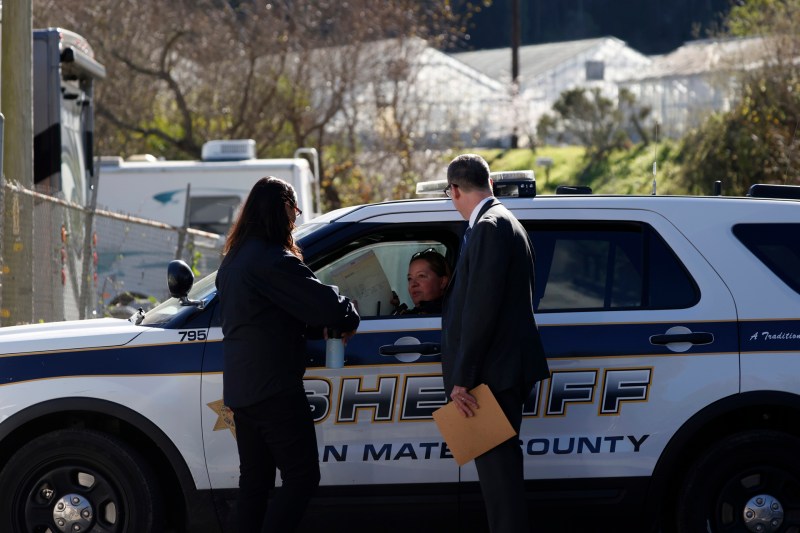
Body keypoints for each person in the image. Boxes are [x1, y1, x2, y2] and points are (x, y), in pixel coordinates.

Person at [215, 176, 360, 532]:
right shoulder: (272, 259)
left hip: (242, 389)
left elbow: (267, 316)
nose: (295, 219)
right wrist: (348, 313)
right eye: (293, 210)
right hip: (274, 388)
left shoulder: (234, 259)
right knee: (302, 477)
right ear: (281, 208)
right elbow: (329, 308)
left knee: (254, 483)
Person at [441, 154, 550, 533]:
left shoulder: (488, 227)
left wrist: (463, 378)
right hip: (501, 370)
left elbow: (481, 309)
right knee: (500, 480)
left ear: (455, 189)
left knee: (500, 484)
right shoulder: (505, 222)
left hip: (490, 377)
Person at [391, 248, 451, 315]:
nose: (413, 284)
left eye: (421, 276)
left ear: (442, 282)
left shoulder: (450, 315)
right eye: (409, 278)